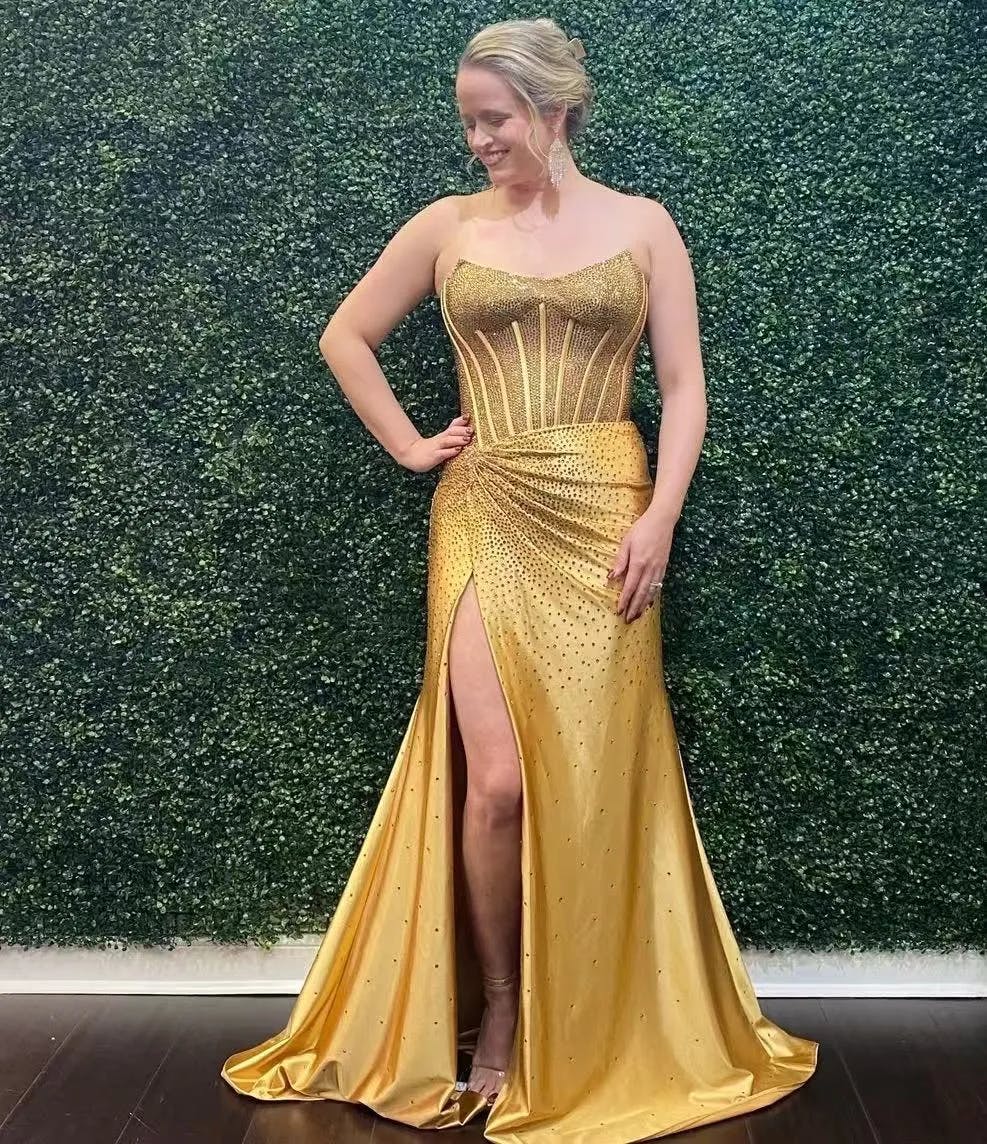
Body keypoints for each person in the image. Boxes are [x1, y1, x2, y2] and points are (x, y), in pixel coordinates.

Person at [220, 16, 818, 1142]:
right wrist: (411, 446)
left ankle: (587, 1021)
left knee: (593, 777)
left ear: (555, 110)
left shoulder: (644, 226)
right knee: (492, 782)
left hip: (606, 514)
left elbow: (683, 388)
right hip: (484, 508)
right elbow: (346, 335)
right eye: (469, 122)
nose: (478, 140)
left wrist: (661, 516)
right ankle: (498, 1009)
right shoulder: (447, 226)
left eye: (493, 119)